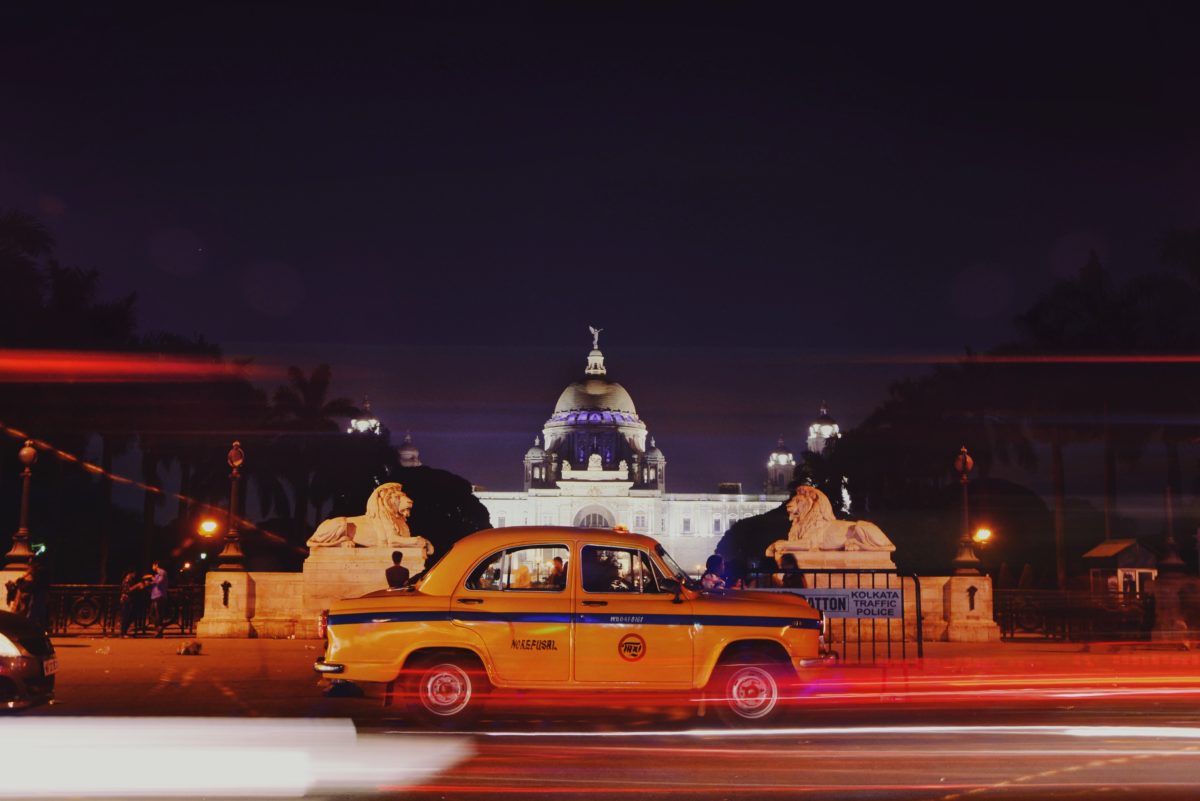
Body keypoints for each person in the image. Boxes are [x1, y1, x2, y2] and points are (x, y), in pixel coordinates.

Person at [119, 569, 145, 637]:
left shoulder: (131, 580)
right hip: (126, 600)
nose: (134, 575)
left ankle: (124, 631)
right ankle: (123, 633)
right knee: (125, 617)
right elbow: (128, 590)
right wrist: (137, 585)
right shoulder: (127, 580)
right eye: (133, 573)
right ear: (130, 573)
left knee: (130, 616)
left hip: (130, 600)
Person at [148, 560, 168, 638]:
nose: (152, 567)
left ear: (156, 565)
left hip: (160, 596)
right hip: (155, 596)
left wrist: (151, 578)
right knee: (152, 614)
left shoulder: (162, 572)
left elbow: (159, 582)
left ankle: (159, 631)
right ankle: (158, 630)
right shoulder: (157, 575)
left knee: (158, 614)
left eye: (153, 565)